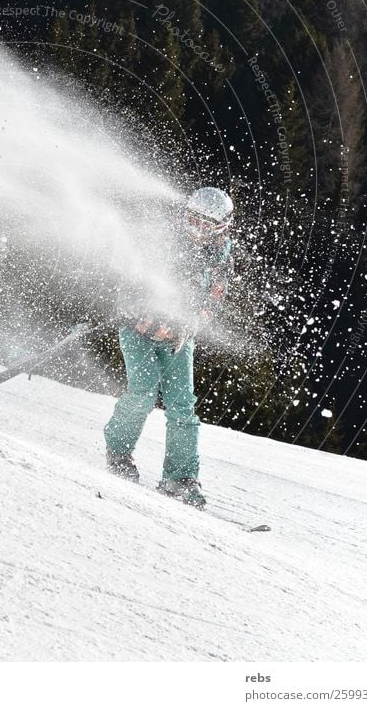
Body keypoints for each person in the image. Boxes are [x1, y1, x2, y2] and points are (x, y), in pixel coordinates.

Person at [103, 187, 235, 508]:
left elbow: (212, 302)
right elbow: (133, 278)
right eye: (192, 220)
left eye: (205, 225)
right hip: (140, 328)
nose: (196, 229)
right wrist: (141, 315)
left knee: (182, 406)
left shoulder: (221, 258)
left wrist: (188, 325)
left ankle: (179, 477)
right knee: (144, 390)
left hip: (177, 339)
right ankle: (118, 451)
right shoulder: (165, 238)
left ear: (220, 227)